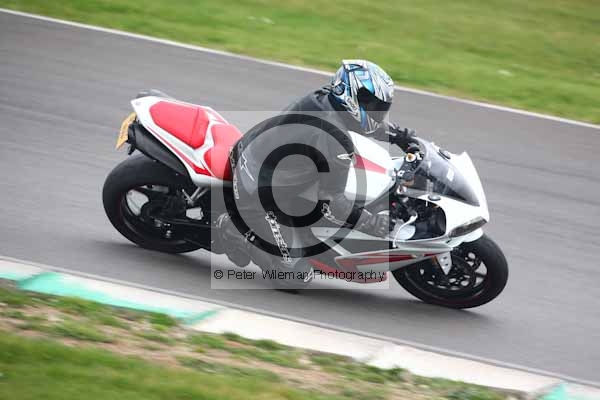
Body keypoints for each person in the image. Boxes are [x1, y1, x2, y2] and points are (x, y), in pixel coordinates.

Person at [218, 60, 417, 278]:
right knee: (295, 275)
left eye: (379, 107)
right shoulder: (335, 139)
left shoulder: (326, 97)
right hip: (256, 189)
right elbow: (332, 202)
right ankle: (233, 230)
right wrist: (370, 222)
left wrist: (400, 136)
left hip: (260, 156)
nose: (376, 112)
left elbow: (364, 123)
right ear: (350, 95)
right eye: (371, 105)